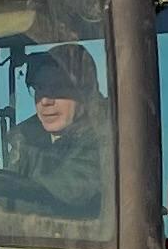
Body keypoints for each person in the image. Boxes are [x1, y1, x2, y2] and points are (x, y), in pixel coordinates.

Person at [8, 43, 108, 219]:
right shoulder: (26, 139)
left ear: (85, 93)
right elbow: (7, 185)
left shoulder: (106, 140)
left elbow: (67, 194)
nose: (45, 100)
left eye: (58, 88)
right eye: (39, 88)